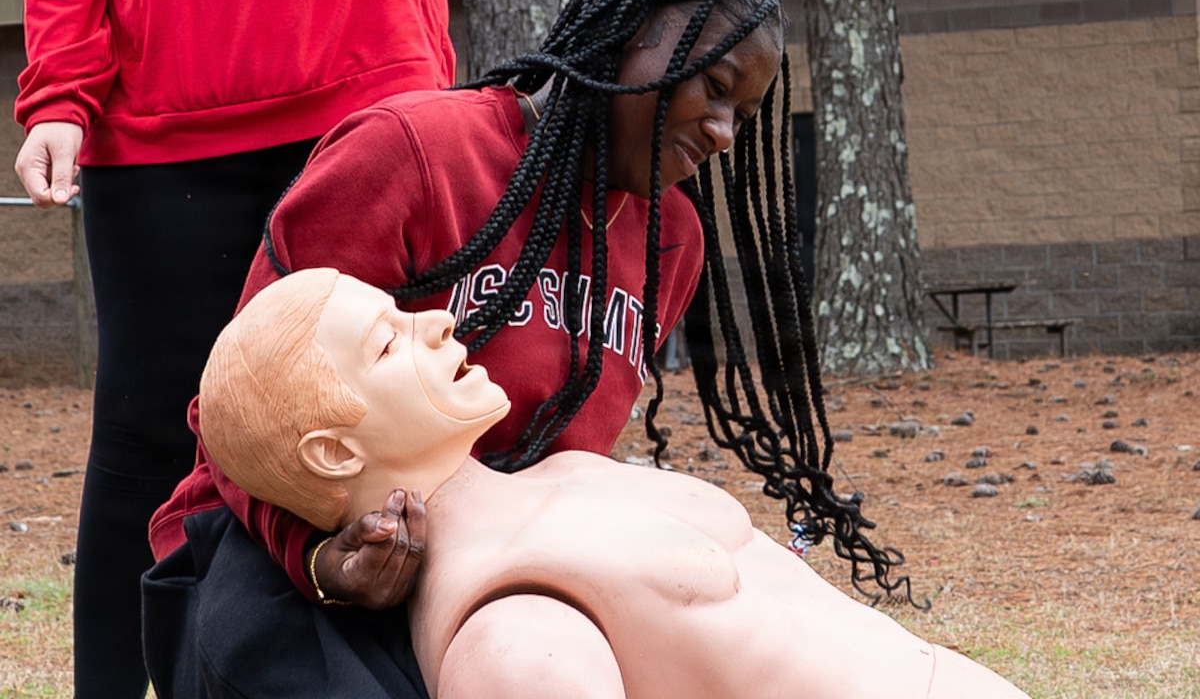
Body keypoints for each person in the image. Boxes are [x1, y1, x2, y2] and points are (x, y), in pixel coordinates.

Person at [151, 0, 913, 625]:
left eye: (743, 116)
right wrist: (320, 561)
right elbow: (236, 414)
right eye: (714, 88)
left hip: (493, 574)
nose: (722, 133)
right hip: (282, 560)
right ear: (626, 34)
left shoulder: (670, 241)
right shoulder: (413, 155)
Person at [194, 267, 1031, 699]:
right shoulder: (503, 625)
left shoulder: (567, 474)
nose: (438, 319)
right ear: (336, 455)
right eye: (387, 344)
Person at [13, 0, 455, 695]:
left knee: (375, 437)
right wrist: (59, 92)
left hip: (368, 93)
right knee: (143, 437)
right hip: (162, 116)